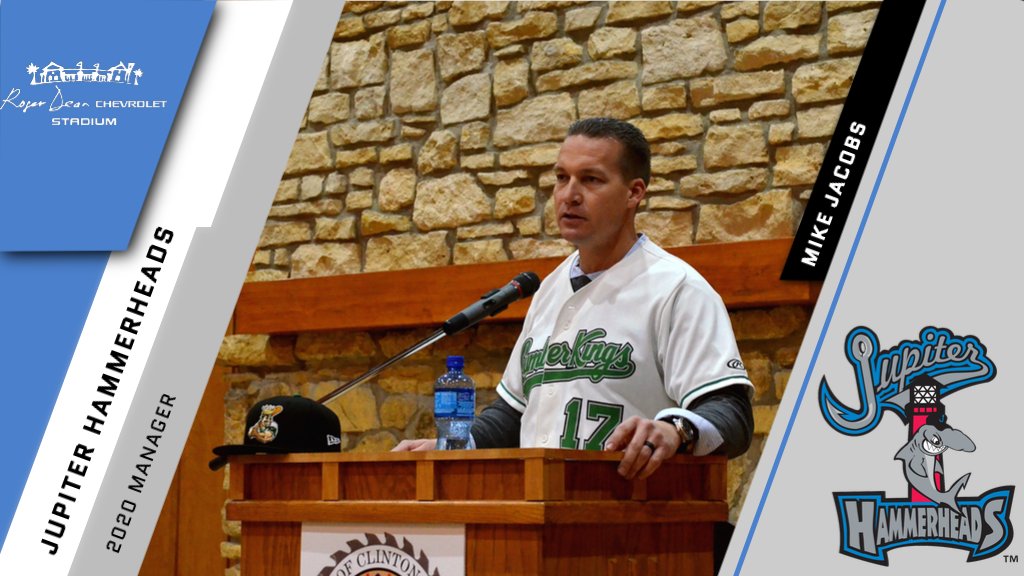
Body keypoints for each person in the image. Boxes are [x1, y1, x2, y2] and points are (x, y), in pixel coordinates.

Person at [396, 117, 753, 480]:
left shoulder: (677, 289)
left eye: (591, 179)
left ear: (634, 193)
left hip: (630, 506)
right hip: (539, 505)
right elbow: (514, 413)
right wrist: (453, 446)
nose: (569, 194)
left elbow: (732, 414)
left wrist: (676, 430)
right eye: (561, 178)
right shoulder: (549, 289)